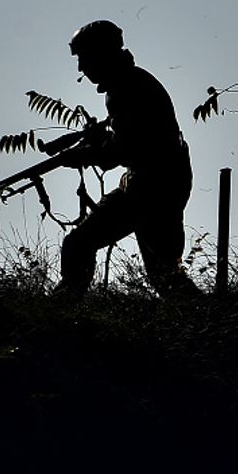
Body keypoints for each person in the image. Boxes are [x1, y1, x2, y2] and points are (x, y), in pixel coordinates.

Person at [53, 20, 200, 299]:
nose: (81, 68)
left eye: (84, 58)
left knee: (82, 245)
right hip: (151, 181)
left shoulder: (128, 88)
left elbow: (125, 149)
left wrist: (87, 154)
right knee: (163, 273)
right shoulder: (129, 83)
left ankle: (60, 313)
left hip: (154, 184)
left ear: (101, 53)